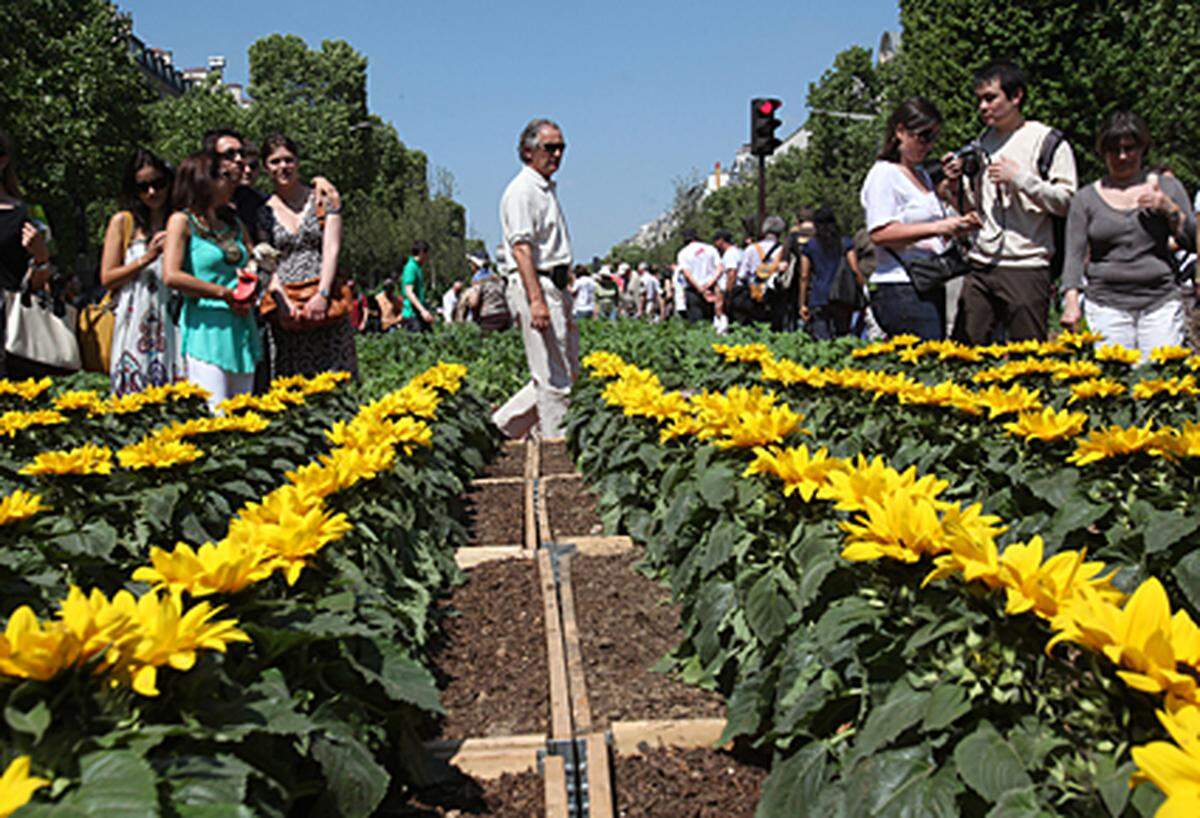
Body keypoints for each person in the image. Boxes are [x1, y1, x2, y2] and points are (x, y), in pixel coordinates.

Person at [945, 61, 1078, 343]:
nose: (982, 107)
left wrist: (1020, 179)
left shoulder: (1047, 141)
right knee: (962, 355)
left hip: (1027, 264)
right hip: (982, 263)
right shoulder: (979, 144)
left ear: (1016, 96)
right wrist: (955, 184)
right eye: (979, 99)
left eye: (990, 98)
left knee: (1027, 361)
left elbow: (1068, 202)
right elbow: (973, 208)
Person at [1060, 112, 1195, 360]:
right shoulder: (1085, 199)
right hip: (1106, 304)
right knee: (1113, 385)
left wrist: (1169, 209)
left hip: (1160, 303)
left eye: (1129, 148)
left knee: (1159, 382)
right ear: (1103, 152)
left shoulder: (1167, 188)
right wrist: (1070, 303)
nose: (1122, 156)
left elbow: (1192, 240)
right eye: (1114, 149)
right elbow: (1074, 257)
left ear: (1143, 147)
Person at [861, 98, 980, 340]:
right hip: (900, 285)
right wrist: (938, 227)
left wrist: (956, 224)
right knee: (923, 368)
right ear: (900, 132)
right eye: (923, 136)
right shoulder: (884, 174)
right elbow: (880, 233)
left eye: (934, 138)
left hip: (927, 281)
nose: (928, 145)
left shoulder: (922, 175)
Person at [493, 118, 579, 440]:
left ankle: (499, 430)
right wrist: (536, 300)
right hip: (537, 286)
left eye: (561, 147)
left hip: (552, 285)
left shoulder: (543, 189)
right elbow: (521, 250)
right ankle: (558, 449)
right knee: (554, 379)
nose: (557, 154)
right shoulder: (522, 192)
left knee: (562, 372)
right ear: (528, 151)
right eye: (550, 147)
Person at [162, 151, 261, 410]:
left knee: (245, 416)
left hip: (241, 326)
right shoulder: (182, 221)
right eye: (225, 177)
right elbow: (171, 275)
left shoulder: (235, 223)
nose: (232, 183)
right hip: (206, 327)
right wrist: (222, 293)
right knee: (215, 412)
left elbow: (253, 261)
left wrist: (252, 275)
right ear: (204, 179)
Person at [257, 133, 357, 378]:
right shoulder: (263, 211)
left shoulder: (324, 200)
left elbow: (332, 248)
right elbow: (267, 261)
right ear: (265, 167)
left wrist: (322, 294)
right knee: (292, 386)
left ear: (298, 162)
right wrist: (282, 301)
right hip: (288, 308)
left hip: (325, 299)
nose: (283, 167)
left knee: (335, 383)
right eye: (275, 161)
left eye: (288, 160)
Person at [99, 149, 182, 395]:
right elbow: (107, 277)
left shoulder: (180, 220)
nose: (152, 192)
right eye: (143, 186)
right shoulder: (123, 222)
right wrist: (147, 258)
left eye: (158, 183)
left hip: (173, 318)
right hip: (134, 319)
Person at [0, 129, 54, 379]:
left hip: (11, 329)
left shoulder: (29, 213)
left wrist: (41, 257)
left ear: (3, 160)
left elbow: (42, 285)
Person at [798, 207, 864, 339]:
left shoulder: (810, 245)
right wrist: (862, 291)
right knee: (843, 336)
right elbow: (855, 269)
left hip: (818, 296)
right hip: (842, 295)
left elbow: (804, 276)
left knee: (822, 339)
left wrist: (802, 303)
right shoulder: (845, 243)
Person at [735, 216, 789, 327]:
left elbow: (742, 275)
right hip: (776, 296)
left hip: (754, 295)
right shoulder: (784, 250)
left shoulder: (751, 249)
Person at [676, 229, 722, 323]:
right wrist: (710, 283)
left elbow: (687, 274)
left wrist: (700, 289)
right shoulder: (710, 248)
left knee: (696, 323)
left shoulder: (683, 253)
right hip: (711, 289)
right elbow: (720, 268)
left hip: (694, 291)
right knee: (712, 319)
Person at [400, 240, 436, 332]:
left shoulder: (417, 267)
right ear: (421, 253)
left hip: (418, 314)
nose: (427, 257)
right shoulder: (411, 267)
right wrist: (422, 310)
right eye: (426, 254)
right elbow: (409, 292)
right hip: (412, 315)